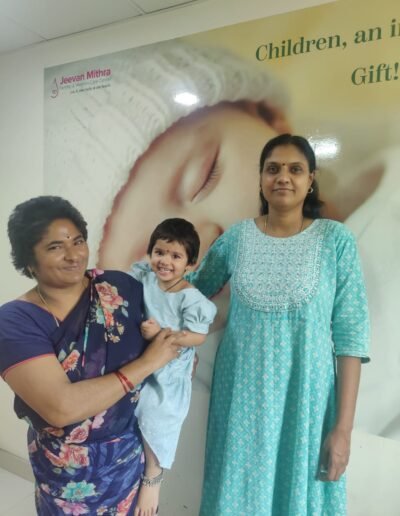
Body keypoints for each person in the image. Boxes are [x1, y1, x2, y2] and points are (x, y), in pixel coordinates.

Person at [187, 134, 370, 515]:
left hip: (306, 406)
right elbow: (191, 291)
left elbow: (351, 338)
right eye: (273, 169)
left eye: (295, 169)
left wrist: (343, 429)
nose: (283, 177)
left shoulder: (335, 241)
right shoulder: (237, 238)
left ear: (310, 179)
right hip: (241, 405)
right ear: (261, 179)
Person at [0, 196, 182, 516]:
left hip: (129, 462)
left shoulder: (120, 288)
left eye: (78, 241)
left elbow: (166, 372)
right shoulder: (14, 321)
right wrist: (148, 362)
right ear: (29, 259)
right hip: (63, 474)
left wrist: (152, 478)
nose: (73, 255)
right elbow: (61, 407)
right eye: (55, 247)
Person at [128, 218, 217, 516]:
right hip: (142, 357)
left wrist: (163, 335)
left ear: (190, 265)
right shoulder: (145, 278)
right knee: (128, 408)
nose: (165, 261)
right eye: (160, 252)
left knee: (158, 412)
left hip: (171, 364)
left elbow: (198, 336)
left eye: (175, 256)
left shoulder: (190, 298)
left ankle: (153, 477)